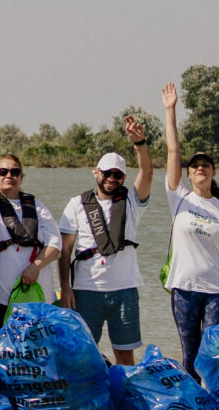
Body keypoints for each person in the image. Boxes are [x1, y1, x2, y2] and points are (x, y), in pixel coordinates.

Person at [160, 81, 219, 376]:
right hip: (184, 289)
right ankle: (194, 406)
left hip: (218, 292)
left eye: (205, 165)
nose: (200, 169)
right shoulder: (179, 198)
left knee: (213, 353)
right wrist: (170, 111)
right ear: (188, 173)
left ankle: (214, 403)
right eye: (195, 166)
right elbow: (172, 151)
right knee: (189, 353)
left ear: (213, 172)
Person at [62, 117, 155, 365]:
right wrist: (65, 288)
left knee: (125, 355)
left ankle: (125, 396)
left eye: (118, 174)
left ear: (123, 177)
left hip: (124, 289)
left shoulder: (132, 201)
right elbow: (65, 250)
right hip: (85, 289)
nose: (112, 178)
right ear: (96, 172)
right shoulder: (77, 203)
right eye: (107, 173)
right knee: (82, 355)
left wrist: (140, 143)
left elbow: (146, 172)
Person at [0, 110, 58, 335]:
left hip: (35, 299)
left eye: (15, 172)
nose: (9, 175)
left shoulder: (37, 205)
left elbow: (55, 245)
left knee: (34, 355)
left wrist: (35, 267)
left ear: (22, 176)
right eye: (3, 171)